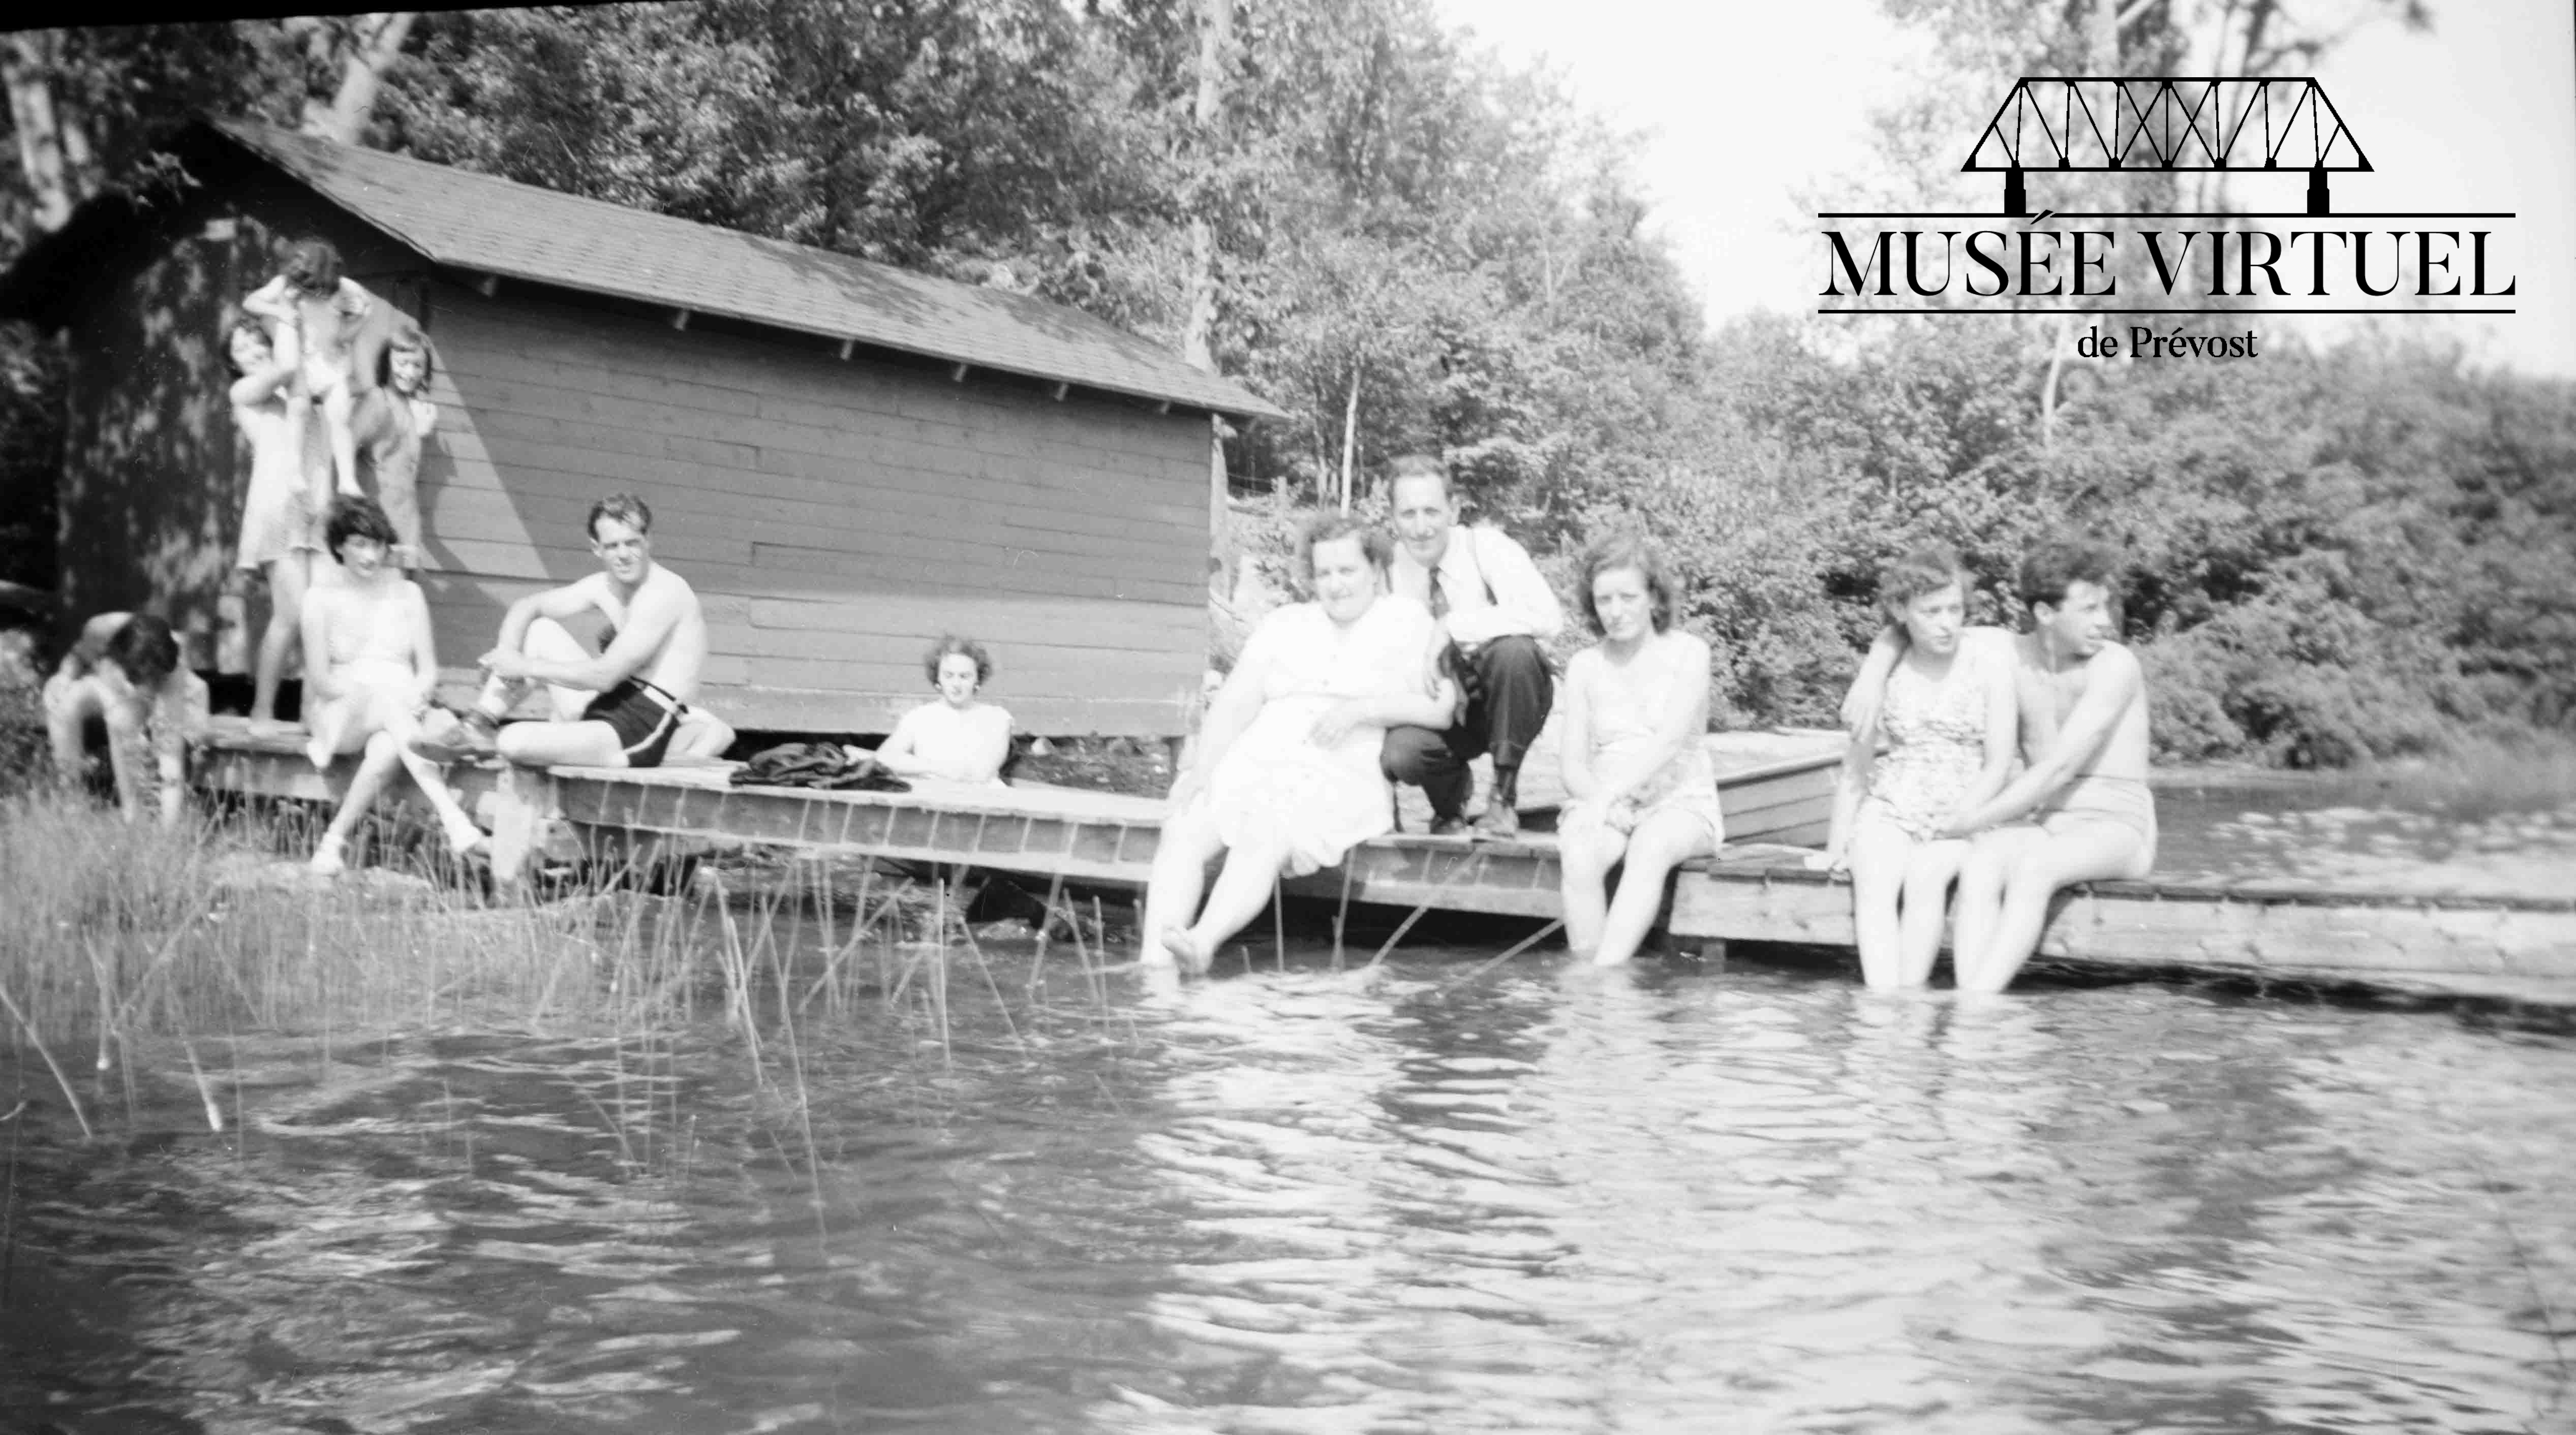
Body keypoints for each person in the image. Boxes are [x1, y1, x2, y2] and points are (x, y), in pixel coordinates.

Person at [1145, 513, 1455, 971]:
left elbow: (1441, 710)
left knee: (1265, 831)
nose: (1335, 584)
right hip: (1259, 756)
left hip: (1339, 766)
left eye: (1347, 570)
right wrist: (1199, 772)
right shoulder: (1287, 622)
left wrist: (1362, 709)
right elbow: (1235, 703)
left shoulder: (1406, 620)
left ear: (1375, 570)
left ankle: (1203, 942)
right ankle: (1154, 964)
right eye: (1324, 573)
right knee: (1184, 826)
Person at [1936, 539, 2155, 993]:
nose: (2105, 622)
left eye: (2106, 607)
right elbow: (1913, 621)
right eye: (2090, 609)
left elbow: (2057, 770)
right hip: (2049, 824)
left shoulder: (2115, 666)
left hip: (2117, 828)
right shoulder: (2008, 652)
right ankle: (1970, 996)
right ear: (2045, 613)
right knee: (1981, 862)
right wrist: (1875, 671)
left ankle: (1976, 1005)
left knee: (2033, 868)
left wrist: (1970, 820)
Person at [1814, 543, 2017, 990]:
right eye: (1932, 612)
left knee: (1927, 875)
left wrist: (1962, 816)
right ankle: (1882, 1006)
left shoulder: (1989, 666)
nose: (1947, 623)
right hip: (1893, 802)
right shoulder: (1883, 672)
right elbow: (1858, 767)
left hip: (1963, 808)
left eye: (1955, 609)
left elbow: (2000, 763)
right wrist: (1835, 846)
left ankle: (1911, 1001)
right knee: (1873, 873)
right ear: (1901, 611)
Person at [423, 492, 733, 769]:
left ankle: (504, 737)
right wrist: (507, 650)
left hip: (642, 724)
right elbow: (529, 605)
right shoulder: (605, 585)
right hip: (607, 704)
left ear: (648, 540)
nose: (623, 555)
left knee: (513, 741)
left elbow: (605, 676)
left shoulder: (664, 592)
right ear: (597, 549)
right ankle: (479, 724)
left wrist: (524, 666)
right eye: (612, 546)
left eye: (632, 543)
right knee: (540, 629)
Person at [1554, 536, 1725, 966]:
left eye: (1628, 597)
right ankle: (1588, 974)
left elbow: (1669, 742)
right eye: (1604, 600)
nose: (1616, 611)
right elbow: (1572, 764)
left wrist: (1608, 796)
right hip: (1608, 803)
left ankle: (1604, 976)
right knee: (1579, 852)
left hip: (1681, 800)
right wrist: (1601, 803)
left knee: (1650, 845)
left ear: (1653, 596)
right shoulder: (1584, 666)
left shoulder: (1691, 653)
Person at [1380, 453, 1563, 838]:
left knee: (1514, 652)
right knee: (1402, 752)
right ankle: (1449, 803)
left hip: (1506, 698)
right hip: (1436, 707)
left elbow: (1548, 617)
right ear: (1392, 518)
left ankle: (1503, 798)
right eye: (1408, 514)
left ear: (1454, 509)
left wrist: (1453, 626)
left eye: (1431, 512)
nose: (1421, 527)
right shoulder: (1387, 570)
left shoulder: (1487, 548)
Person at [298, 496, 485, 874]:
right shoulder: (320, 599)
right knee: (387, 707)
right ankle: (452, 817)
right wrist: (371, 698)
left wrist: (417, 695)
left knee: (386, 749)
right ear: (339, 546)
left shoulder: (408, 594)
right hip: (341, 715)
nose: (371, 556)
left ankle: (333, 843)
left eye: (379, 545)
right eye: (360, 545)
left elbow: (428, 671)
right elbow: (321, 682)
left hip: (398, 714)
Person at [239, 238, 422, 507]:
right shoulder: (283, 284)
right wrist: (278, 309)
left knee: (340, 415)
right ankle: (294, 471)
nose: (319, 296)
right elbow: (251, 303)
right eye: (313, 291)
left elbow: (346, 335)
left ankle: (347, 479)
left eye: (325, 291)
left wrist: (361, 317)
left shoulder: (345, 289)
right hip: (301, 362)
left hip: (330, 363)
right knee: (299, 407)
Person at [225, 313, 328, 731]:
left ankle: (310, 714)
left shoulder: (301, 393)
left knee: (319, 613)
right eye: (241, 348)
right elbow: (286, 366)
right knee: (290, 613)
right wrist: (289, 317)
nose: (252, 350)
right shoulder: (244, 391)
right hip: (275, 511)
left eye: (256, 341)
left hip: (316, 512)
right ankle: (262, 710)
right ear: (233, 363)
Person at [43, 612, 209, 828]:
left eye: (152, 680)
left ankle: (134, 814)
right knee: (66, 702)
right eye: (139, 679)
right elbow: (78, 655)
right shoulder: (100, 629)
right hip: (110, 689)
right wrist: (64, 677)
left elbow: (172, 763)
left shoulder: (171, 672)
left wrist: (169, 833)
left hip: (162, 702)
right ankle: (71, 800)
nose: (144, 686)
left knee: (122, 718)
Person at [872, 635, 1013, 785]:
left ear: (977, 679)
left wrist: (915, 766)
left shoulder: (996, 718)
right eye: (949, 676)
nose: (956, 684)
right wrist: (935, 768)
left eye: (964, 676)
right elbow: (884, 758)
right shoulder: (920, 717)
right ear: (938, 679)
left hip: (983, 799)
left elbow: (981, 774)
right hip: (932, 798)